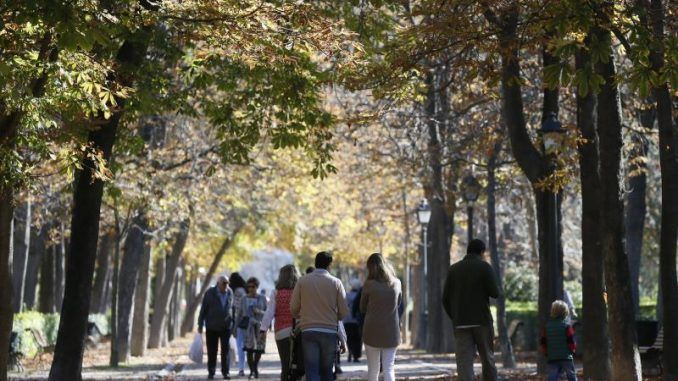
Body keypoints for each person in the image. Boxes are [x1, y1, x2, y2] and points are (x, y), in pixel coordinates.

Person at [442, 239, 500, 381]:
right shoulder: (484, 267)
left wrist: (455, 316)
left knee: (464, 362)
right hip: (482, 321)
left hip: (460, 323)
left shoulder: (453, 269)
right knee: (487, 358)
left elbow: (445, 299)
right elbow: (495, 293)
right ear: (482, 252)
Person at [291, 251, 349, 381]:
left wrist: (302, 316)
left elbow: (293, 307)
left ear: (315, 263)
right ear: (329, 265)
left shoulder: (302, 281)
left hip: (308, 330)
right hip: (329, 330)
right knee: (327, 370)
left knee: (311, 370)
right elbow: (344, 310)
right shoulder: (336, 282)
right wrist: (335, 317)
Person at [360, 253, 402, 381]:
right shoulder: (397, 283)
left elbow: (362, 307)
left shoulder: (369, 284)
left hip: (371, 330)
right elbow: (399, 303)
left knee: (373, 369)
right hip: (391, 331)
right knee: (389, 368)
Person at [260, 265, 301, 381]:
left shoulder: (276, 293)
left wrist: (263, 329)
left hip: (281, 332)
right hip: (298, 331)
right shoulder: (299, 291)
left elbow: (269, 312)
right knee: (298, 364)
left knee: (285, 364)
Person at [198, 275, 234, 380]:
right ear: (218, 283)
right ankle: (211, 372)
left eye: (227, 283)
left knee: (225, 351)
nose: (226, 285)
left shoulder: (230, 292)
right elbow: (203, 309)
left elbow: (233, 309)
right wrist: (200, 324)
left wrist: (233, 323)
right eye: (224, 283)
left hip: (226, 327)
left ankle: (225, 372)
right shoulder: (210, 293)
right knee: (212, 351)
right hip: (212, 327)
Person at [237, 277, 267, 379]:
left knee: (259, 349)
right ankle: (252, 371)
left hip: (260, 326)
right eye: (249, 286)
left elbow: (267, 313)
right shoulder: (244, 299)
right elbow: (239, 314)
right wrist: (235, 327)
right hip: (248, 327)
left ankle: (255, 367)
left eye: (253, 286)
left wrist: (259, 311)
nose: (251, 289)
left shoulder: (262, 298)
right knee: (249, 349)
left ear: (257, 287)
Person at [540, 300, 578, 381]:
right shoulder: (567, 326)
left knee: (552, 376)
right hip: (566, 357)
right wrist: (572, 351)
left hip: (552, 357)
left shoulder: (546, 327)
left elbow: (543, 342)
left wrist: (546, 353)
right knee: (571, 375)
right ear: (565, 312)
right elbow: (571, 341)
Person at [229, 272, 248, 376]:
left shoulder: (236, 292)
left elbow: (236, 308)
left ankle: (241, 368)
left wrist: (234, 325)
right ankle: (248, 367)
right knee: (246, 345)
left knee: (240, 346)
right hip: (248, 321)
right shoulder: (245, 290)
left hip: (240, 322)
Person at [344, 279, 363, 362]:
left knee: (349, 338)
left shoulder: (346, 295)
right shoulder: (361, 295)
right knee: (358, 339)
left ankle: (350, 351)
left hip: (347, 319)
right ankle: (356, 355)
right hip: (357, 320)